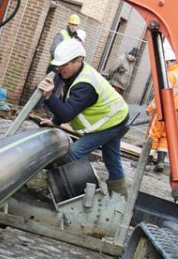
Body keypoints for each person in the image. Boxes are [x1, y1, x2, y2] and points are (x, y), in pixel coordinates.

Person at [37, 39, 131, 197]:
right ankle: (122, 201)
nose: (60, 68)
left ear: (78, 60)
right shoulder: (76, 75)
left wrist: (49, 96)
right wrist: (54, 121)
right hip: (117, 115)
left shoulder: (85, 85)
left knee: (73, 154)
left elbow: (68, 112)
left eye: (64, 64)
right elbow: (69, 104)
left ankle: (58, 191)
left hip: (112, 121)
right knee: (112, 158)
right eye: (58, 64)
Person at [146, 41, 178, 172]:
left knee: (153, 134)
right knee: (165, 136)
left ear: (170, 62)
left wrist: (150, 108)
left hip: (162, 110)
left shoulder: (169, 75)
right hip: (175, 112)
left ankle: (145, 162)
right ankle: (161, 162)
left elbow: (160, 95)